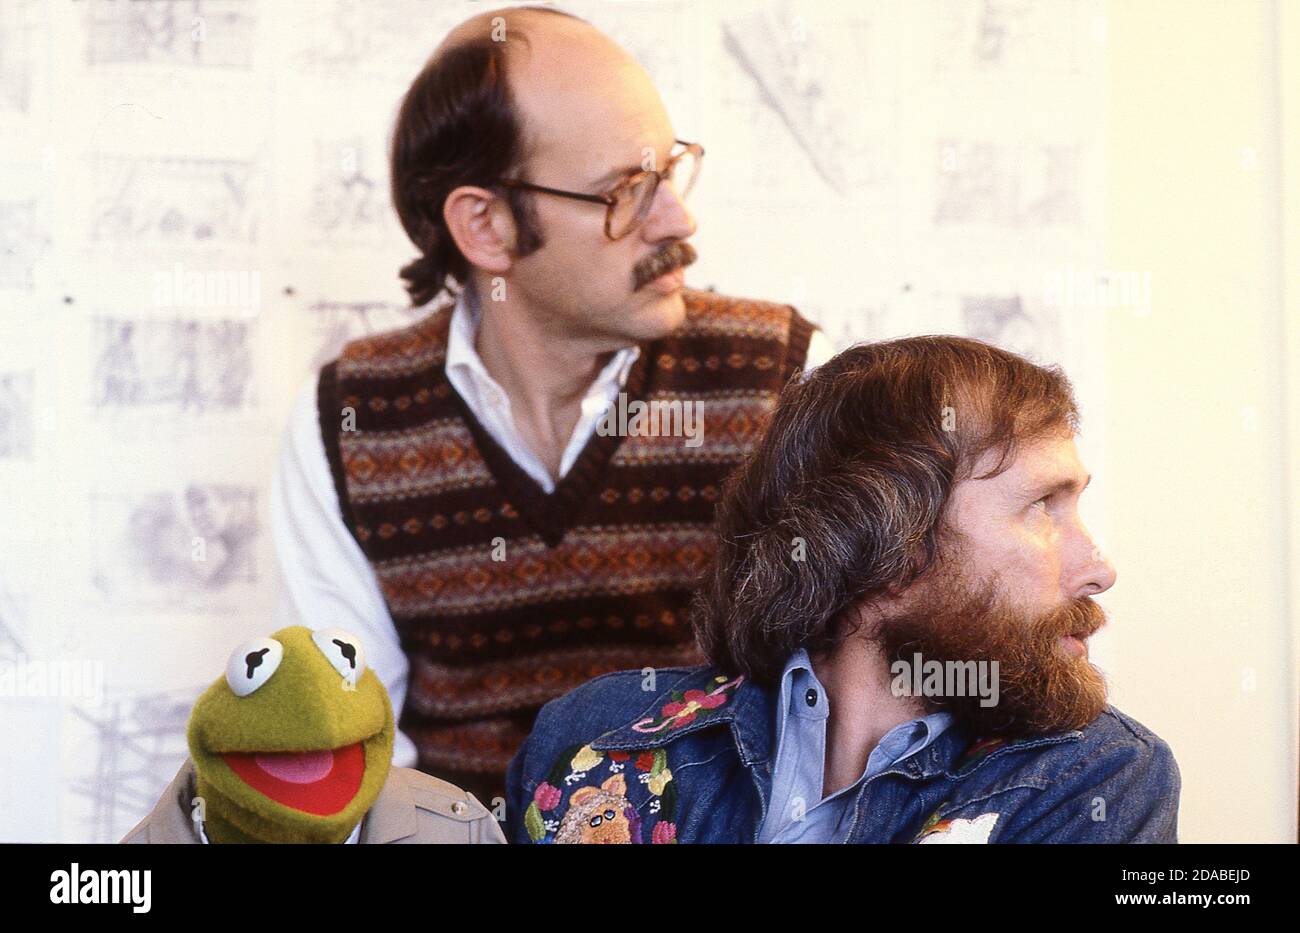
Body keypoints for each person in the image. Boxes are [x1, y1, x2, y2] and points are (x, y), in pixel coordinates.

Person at [270, 5, 834, 810]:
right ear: (486, 225)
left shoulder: (789, 384)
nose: (678, 220)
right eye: (626, 191)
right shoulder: (347, 423)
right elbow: (351, 761)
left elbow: (865, 722)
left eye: (668, 172)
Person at [505, 336, 1181, 843]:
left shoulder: (1099, 778)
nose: (1098, 567)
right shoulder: (595, 737)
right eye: (1042, 507)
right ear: (889, 547)